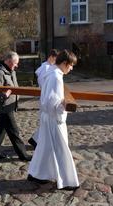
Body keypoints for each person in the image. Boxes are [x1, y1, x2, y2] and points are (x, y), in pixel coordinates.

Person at [27, 50, 80, 191]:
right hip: (53, 119)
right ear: (64, 63)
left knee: (45, 147)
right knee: (60, 147)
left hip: (47, 117)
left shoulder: (51, 71)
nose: (72, 68)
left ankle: (36, 173)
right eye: (71, 65)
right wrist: (63, 107)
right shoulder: (56, 76)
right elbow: (51, 102)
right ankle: (67, 180)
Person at [0, 51, 32, 161]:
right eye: (15, 63)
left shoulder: (10, 70)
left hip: (10, 105)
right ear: (8, 61)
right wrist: (5, 95)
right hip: (4, 107)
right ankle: (23, 155)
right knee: (14, 132)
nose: (17, 66)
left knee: (1, 131)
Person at [28, 49, 59, 149]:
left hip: (46, 97)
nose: (56, 61)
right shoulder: (45, 68)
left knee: (47, 121)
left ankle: (36, 139)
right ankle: (36, 140)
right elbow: (43, 84)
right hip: (46, 97)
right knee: (47, 121)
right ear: (51, 57)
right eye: (55, 58)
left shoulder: (49, 67)